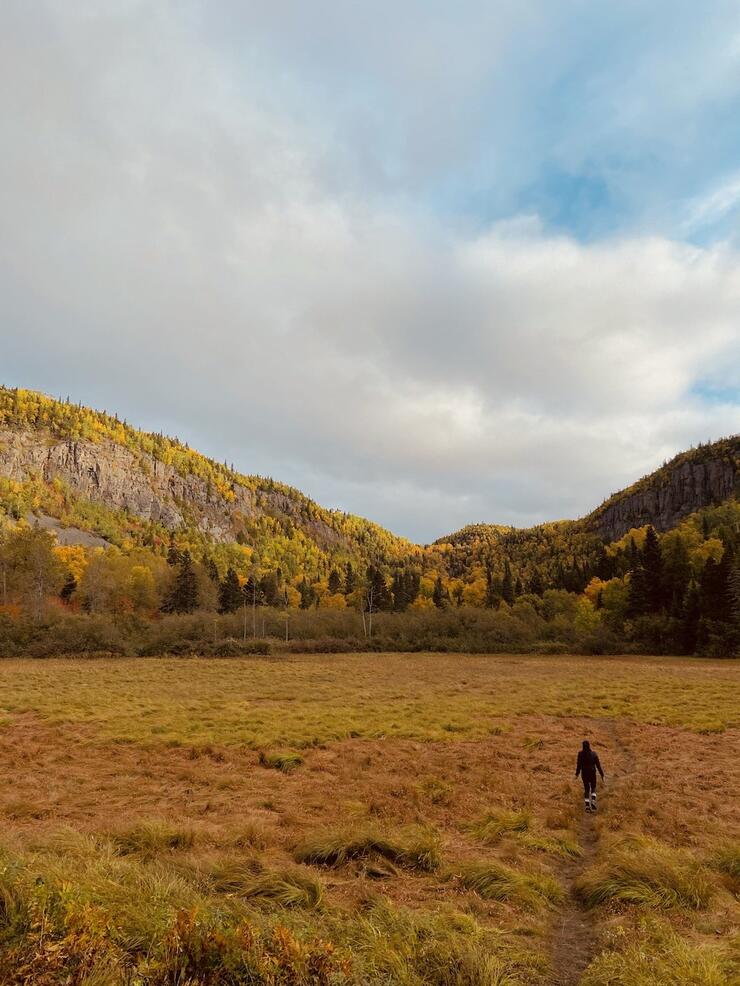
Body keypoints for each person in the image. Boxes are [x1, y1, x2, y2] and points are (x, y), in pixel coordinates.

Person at [575, 739, 604, 812]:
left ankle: (587, 806)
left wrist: (577, 774)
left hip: (584, 773)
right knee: (593, 787)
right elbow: (598, 765)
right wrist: (602, 774)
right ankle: (593, 801)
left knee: (586, 789)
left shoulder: (580, 754)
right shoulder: (594, 754)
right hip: (592, 772)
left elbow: (578, 765)